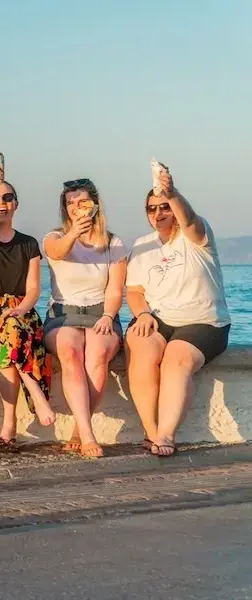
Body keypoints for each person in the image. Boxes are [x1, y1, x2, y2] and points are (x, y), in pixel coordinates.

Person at [125, 166, 230, 457]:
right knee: (142, 348)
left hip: (204, 322)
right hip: (158, 318)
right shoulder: (142, 246)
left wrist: (172, 194)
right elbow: (134, 291)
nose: (158, 214)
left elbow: (190, 219)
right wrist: (143, 314)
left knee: (175, 360)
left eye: (164, 207)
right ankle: (150, 431)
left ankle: (166, 435)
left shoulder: (196, 234)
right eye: (151, 209)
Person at [0, 161, 56, 450]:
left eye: (6, 198)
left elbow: (32, 291)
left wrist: (20, 308)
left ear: (16, 204)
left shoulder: (28, 244)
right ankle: (33, 389)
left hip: (19, 313)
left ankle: (8, 424)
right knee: (12, 331)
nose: (0, 203)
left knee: (12, 330)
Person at [43, 179, 127, 458]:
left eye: (82, 202)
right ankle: (88, 433)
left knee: (98, 353)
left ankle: (80, 430)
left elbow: (115, 289)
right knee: (70, 350)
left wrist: (107, 315)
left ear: (95, 205)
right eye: (70, 203)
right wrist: (73, 234)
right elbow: (57, 252)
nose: (76, 208)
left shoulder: (113, 243)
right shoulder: (54, 237)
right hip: (64, 312)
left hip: (101, 311)